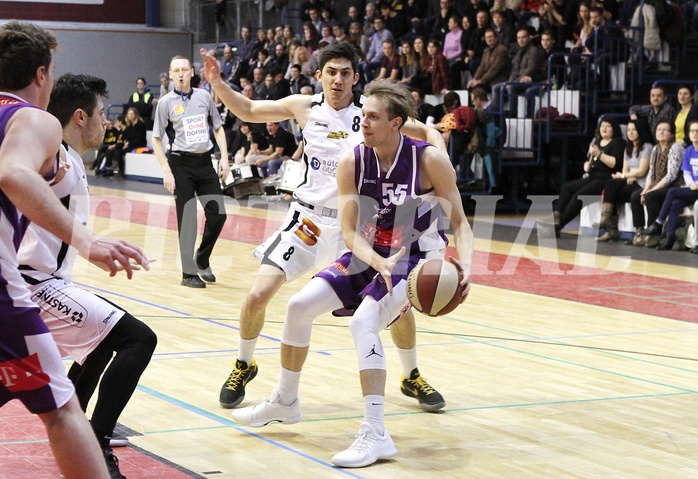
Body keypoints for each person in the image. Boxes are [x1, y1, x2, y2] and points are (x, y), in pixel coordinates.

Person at [231, 80, 473, 468]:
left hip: (417, 258)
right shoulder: (353, 161)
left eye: (372, 117)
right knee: (298, 306)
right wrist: (374, 261)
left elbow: (460, 221)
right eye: (363, 116)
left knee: (363, 323)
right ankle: (286, 401)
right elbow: (347, 231)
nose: (363, 123)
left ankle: (376, 433)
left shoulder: (428, 160)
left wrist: (468, 270)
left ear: (397, 123)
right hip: (370, 252)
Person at [201, 41, 449, 413]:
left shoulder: (371, 113)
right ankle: (243, 363)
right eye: (331, 72)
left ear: (355, 77)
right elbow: (249, 109)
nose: (338, 79)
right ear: (318, 76)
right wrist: (218, 83)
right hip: (308, 221)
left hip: (359, 227)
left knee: (398, 305)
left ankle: (411, 374)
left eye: (345, 72)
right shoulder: (305, 107)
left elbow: (429, 134)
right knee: (257, 295)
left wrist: (441, 165)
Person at [0, 21, 148, 479]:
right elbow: (14, 174)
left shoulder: (69, 154)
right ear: (42, 74)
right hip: (22, 285)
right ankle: (98, 442)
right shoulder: (34, 121)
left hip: (39, 284)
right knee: (64, 410)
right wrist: (88, 242)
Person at [151, 55, 229, 289]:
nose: (181, 73)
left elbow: (218, 128)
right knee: (187, 219)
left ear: (192, 73)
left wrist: (224, 158)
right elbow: (156, 139)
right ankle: (188, 272)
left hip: (204, 163)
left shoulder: (205, 97)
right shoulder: (165, 103)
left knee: (218, 215)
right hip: (179, 164)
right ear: (171, 74)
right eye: (177, 70)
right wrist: (166, 170)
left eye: (185, 69)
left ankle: (202, 259)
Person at [550, 117, 625, 236]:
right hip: (593, 175)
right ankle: (556, 216)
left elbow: (615, 163)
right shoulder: (597, 141)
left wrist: (599, 154)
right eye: (602, 126)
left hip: (606, 178)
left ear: (614, 129)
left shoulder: (618, 142)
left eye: (608, 126)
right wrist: (586, 165)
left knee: (579, 196)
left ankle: (558, 226)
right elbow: (588, 160)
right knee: (567, 187)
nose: (604, 128)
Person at [639, 121, 698, 250]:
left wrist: (696, 184)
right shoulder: (689, 150)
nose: (695, 134)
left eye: (697, 131)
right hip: (691, 187)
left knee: (672, 192)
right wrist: (692, 184)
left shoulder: (676, 148)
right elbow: (687, 173)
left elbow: (672, 174)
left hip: (693, 187)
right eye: (692, 131)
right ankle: (670, 238)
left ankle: (658, 224)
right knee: (675, 202)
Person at [629, 120, 685, 247]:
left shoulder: (675, 148)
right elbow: (651, 173)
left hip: (673, 186)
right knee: (635, 195)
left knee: (651, 196)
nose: (661, 132)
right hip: (658, 185)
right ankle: (640, 232)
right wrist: (646, 189)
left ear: (672, 134)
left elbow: (671, 175)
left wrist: (651, 191)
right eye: (659, 129)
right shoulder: (655, 148)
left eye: (665, 130)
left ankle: (654, 234)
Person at [596, 119, 653, 242]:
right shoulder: (628, 148)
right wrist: (626, 176)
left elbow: (642, 171)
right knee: (611, 185)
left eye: (634, 130)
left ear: (640, 131)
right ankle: (610, 228)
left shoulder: (647, 147)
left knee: (616, 187)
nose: (630, 132)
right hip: (629, 180)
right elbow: (624, 169)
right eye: (628, 130)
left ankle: (609, 223)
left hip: (642, 183)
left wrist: (624, 176)